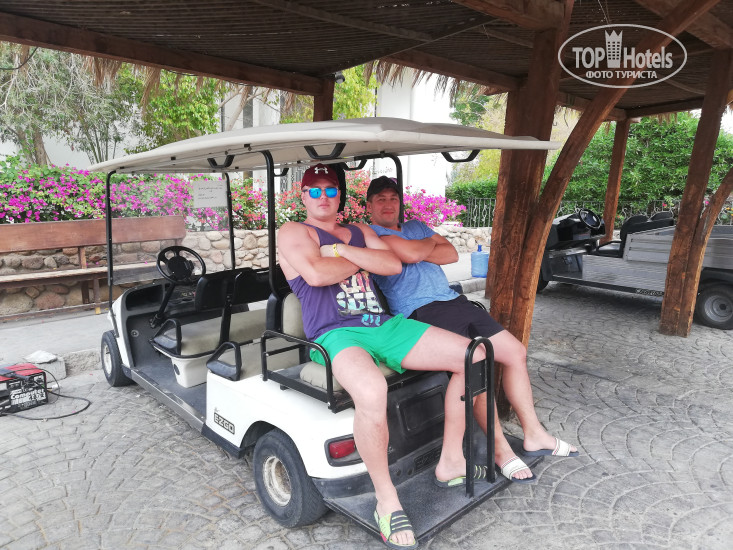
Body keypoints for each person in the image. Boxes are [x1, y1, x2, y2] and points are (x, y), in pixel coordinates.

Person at [278, 164, 490, 550]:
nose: (323, 197)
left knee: (472, 356)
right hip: (336, 333)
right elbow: (317, 275)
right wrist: (364, 258)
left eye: (330, 190)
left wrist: (341, 251)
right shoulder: (294, 232)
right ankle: (386, 500)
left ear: (339, 196)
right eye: (315, 191)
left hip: (384, 325)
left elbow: (392, 265)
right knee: (373, 390)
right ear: (303, 195)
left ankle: (450, 461)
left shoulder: (359, 230)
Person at [366, 175, 579, 485]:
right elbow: (414, 255)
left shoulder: (415, 226)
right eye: (381, 199)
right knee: (476, 367)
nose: (388, 204)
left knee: (515, 353)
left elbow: (450, 254)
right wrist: (427, 246)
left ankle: (534, 433)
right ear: (369, 205)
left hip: (454, 301)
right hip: (420, 310)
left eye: (393, 198)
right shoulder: (372, 235)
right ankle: (501, 450)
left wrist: (420, 247)